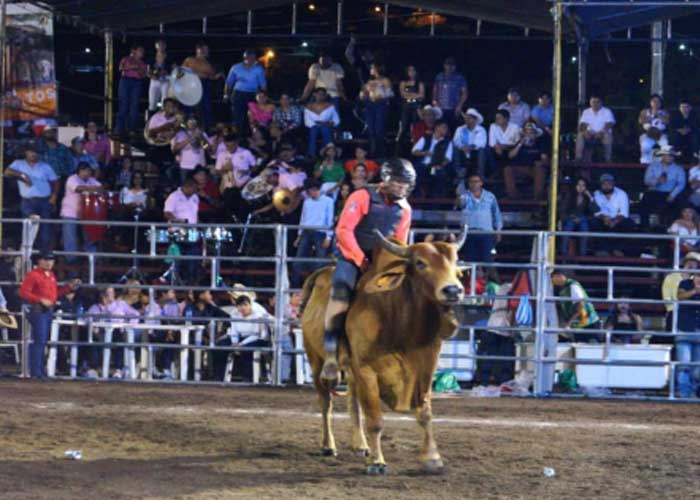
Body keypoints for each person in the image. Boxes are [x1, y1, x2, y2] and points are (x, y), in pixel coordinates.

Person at [319, 159, 415, 383]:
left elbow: (400, 241)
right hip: (352, 255)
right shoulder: (361, 196)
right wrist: (360, 260)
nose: (402, 188)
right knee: (341, 293)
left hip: (380, 259)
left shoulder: (405, 209)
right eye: (399, 182)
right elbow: (344, 230)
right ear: (387, 179)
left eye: (406, 184)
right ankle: (331, 355)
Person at [19, 251, 79, 379]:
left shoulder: (50, 275)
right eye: (46, 259)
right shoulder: (34, 275)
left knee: (41, 341)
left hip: (45, 310)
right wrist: (40, 300)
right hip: (38, 310)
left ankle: (39, 371)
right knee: (40, 341)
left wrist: (69, 288)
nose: (49, 262)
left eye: (51, 260)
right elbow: (23, 292)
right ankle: (36, 372)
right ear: (39, 261)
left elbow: (54, 294)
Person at [4, 145, 59, 253]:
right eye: (31, 152)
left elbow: (56, 182)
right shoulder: (18, 163)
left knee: (45, 231)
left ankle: (43, 257)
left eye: (36, 152)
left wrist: (54, 196)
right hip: (28, 202)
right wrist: (23, 175)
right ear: (26, 153)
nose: (33, 154)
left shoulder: (45, 166)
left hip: (44, 201)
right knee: (28, 230)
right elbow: (7, 172)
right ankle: (27, 257)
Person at [219, 294, 272, 381]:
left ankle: (248, 378)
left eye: (245, 305)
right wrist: (234, 342)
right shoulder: (235, 315)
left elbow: (256, 334)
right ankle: (220, 377)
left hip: (257, 339)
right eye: (240, 305)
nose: (243, 308)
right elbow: (234, 331)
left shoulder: (257, 315)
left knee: (246, 350)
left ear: (250, 305)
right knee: (221, 345)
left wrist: (241, 344)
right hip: (241, 338)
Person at [292, 179, 334, 287]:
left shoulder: (328, 201)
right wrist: (299, 235)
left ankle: (318, 286)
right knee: (298, 261)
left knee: (320, 261)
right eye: (309, 191)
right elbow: (303, 218)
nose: (311, 193)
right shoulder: (307, 202)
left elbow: (330, 219)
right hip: (307, 231)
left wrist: (328, 237)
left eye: (313, 190)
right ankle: (295, 288)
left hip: (320, 232)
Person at [60, 162, 103, 264]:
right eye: (84, 170)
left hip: (87, 214)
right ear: (79, 171)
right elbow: (78, 188)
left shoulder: (91, 180)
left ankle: (91, 264)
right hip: (70, 213)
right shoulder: (72, 179)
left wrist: (95, 188)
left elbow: (101, 188)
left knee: (90, 238)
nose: (86, 173)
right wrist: (92, 189)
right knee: (70, 241)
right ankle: (71, 266)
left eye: (88, 171)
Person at [457, 174, 503, 263]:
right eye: (471, 182)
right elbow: (460, 204)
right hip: (470, 232)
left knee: (488, 259)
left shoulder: (490, 196)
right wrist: (458, 196)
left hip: (486, 233)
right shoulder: (464, 196)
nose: (474, 184)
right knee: (470, 260)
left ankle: (488, 277)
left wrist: (498, 230)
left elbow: (496, 214)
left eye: (476, 181)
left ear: (481, 183)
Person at [638, 145, 686, 228]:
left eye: (672, 156)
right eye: (669, 155)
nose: (671, 157)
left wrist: (672, 195)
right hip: (655, 192)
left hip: (670, 193)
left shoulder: (678, 168)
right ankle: (644, 227)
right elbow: (647, 181)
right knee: (645, 199)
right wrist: (657, 181)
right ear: (663, 156)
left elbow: (681, 184)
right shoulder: (653, 166)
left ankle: (672, 228)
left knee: (680, 203)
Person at [163, 179, 200, 284]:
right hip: (177, 233)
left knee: (193, 260)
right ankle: (173, 283)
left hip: (192, 234)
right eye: (193, 188)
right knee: (176, 262)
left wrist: (197, 227)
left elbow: (195, 215)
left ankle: (191, 283)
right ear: (187, 186)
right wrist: (179, 221)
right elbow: (167, 213)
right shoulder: (173, 197)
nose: (194, 190)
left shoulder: (195, 198)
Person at [590, 173, 636, 256]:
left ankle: (618, 249)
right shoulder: (596, 194)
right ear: (601, 184)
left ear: (613, 184)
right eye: (604, 184)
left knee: (629, 223)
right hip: (603, 220)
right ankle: (603, 249)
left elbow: (624, 213)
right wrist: (604, 218)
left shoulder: (622, 193)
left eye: (609, 183)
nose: (607, 186)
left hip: (617, 220)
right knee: (593, 223)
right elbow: (596, 212)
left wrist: (615, 220)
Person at [224, 49, 267, 134]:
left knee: (251, 117)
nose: (251, 59)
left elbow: (263, 86)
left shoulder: (258, 69)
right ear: (244, 57)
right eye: (248, 57)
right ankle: (239, 138)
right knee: (238, 117)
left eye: (253, 58)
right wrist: (226, 95)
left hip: (252, 95)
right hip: (238, 94)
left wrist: (263, 96)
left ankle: (250, 137)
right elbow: (229, 83)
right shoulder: (235, 67)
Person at [182, 42, 223, 130]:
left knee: (206, 106)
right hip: (191, 84)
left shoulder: (208, 64)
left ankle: (208, 127)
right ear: (198, 50)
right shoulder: (189, 60)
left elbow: (212, 76)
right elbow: (182, 71)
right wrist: (197, 74)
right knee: (189, 106)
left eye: (207, 50)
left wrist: (216, 76)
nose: (206, 51)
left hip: (204, 85)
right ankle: (187, 125)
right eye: (204, 49)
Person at [551, 272, 601, 343]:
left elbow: (581, 304)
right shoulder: (563, 289)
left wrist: (569, 321)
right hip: (579, 325)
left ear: (559, 276)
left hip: (588, 324)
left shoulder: (573, 286)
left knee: (591, 348)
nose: (553, 282)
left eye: (552, 279)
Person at [503, 122, 548, 200]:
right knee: (508, 169)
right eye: (527, 132)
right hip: (520, 168)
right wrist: (520, 144)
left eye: (531, 132)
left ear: (535, 134)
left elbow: (544, 158)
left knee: (540, 169)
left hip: (533, 169)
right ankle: (513, 196)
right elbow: (510, 155)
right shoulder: (519, 143)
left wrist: (540, 162)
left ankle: (537, 197)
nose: (529, 134)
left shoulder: (540, 144)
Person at [411, 120, 454, 198]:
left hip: (435, 166)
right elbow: (414, 151)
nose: (446, 130)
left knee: (439, 175)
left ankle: (434, 201)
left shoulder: (447, 142)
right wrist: (424, 153)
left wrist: (441, 165)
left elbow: (448, 158)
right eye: (444, 127)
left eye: (446, 128)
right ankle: (417, 198)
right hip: (423, 165)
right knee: (415, 172)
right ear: (437, 127)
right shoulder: (425, 138)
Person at [216, 134, 256, 215]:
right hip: (229, 187)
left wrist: (247, 171)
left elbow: (255, 166)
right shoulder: (221, 155)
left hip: (244, 185)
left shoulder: (245, 152)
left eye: (232, 145)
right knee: (230, 210)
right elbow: (217, 171)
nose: (230, 148)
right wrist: (224, 169)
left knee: (243, 209)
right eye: (227, 146)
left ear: (237, 143)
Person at [360, 63, 393, 159]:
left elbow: (390, 93)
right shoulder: (369, 81)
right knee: (371, 129)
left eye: (372, 68)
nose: (371, 69)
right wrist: (364, 94)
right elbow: (363, 93)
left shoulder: (385, 80)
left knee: (379, 129)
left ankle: (380, 153)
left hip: (380, 104)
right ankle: (372, 152)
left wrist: (381, 95)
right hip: (369, 105)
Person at [675, 272, 700, 397]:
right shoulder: (684, 284)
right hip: (685, 329)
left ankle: (693, 392)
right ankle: (684, 392)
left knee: (697, 367)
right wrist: (694, 291)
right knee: (684, 364)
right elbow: (679, 296)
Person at [560, 178, 598, 257]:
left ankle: (583, 254)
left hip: (583, 218)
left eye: (583, 185)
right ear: (575, 186)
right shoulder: (569, 195)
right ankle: (563, 252)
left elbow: (595, 210)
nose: (581, 187)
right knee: (568, 226)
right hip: (571, 217)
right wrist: (570, 217)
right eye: (579, 185)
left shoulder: (589, 196)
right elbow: (564, 210)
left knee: (584, 227)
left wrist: (590, 197)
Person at [115, 45, 147, 137]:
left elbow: (144, 75)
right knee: (123, 105)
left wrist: (140, 71)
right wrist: (132, 67)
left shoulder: (143, 64)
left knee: (134, 106)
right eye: (140, 50)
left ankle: (132, 128)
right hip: (125, 81)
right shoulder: (126, 59)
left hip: (137, 82)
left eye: (143, 51)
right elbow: (120, 68)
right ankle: (119, 129)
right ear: (135, 51)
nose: (142, 53)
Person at [575, 94, 615, 162]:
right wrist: (585, 131)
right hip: (590, 132)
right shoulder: (586, 111)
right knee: (580, 135)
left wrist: (601, 132)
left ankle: (607, 159)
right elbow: (582, 124)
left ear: (601, 102)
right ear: (590, 102)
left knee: (607, 136)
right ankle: (578, 158)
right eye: (593, 102)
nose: (595, 104)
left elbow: (609, 124)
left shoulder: (607, 111)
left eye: (597, 102)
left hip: (603, 132)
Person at [171, 117, 209, 184]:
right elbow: (175, 149)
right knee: (187, 187)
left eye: (194, 121)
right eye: (190, 121)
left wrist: (201, 138)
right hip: (186, 167)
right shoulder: (181, 134)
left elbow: (206, 148)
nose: (192, 123)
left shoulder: (202, 133)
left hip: (200, 167)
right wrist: (191, 138)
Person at [431, 57, 467, 127]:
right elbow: (435, 90)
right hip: (441, 107)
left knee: (453, 127)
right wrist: (434, 102)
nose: (449, 67)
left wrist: (460, 105)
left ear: (454, 67)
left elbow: (464, 93)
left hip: (454, 107)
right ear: (444, 66)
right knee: (441, 126)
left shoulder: (459, 78)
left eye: (452, 65)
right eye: (448, 65)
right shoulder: (439, 77)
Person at [304, 88, 340, 158]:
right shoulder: (308, 106)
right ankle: (311, 155)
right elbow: (307, 121)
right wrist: (319, 124)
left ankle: (330, 154)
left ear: (325, 96)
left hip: (327, 126)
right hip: (313, 127)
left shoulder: (330, 106)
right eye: (319, 94)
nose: (321, 96)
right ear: (314, 95)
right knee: (314, 131)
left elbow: (336, 120)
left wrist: (330, 123)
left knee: (325, 129)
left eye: (323, 94)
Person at [452, 108, 487, 178]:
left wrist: (469, 147)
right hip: (462, 152)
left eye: (469, 118)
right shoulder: (460, 129)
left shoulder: (481, 129)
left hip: (475, 153)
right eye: (466, 118)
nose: (467, 119)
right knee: (454, 147)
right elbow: (456, 140)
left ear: (475, 120)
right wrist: (462, 147)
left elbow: (480, 143)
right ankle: (459, 173)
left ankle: (480, 174)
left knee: (481, 150)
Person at [396, 65, 425, 147]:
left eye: (413, 71)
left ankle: (415, 145)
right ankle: (400, 146)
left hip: (416, 106)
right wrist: (415, 95)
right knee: (403, 126)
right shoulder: (403, 82)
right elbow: (402, 94)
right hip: (405, 106)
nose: (411, 73)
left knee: (415, 125)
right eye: (410, 71)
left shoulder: (419, 83)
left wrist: (409, 95)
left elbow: (422, 95)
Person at [638, 94, 670, 164]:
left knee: (665, 144)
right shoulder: (645, 111)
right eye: (654, 101)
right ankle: (645, 162)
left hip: (660, 133)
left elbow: (667, 122)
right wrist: (652, 116)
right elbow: (641, 121)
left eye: (658, 102)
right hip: (648, 133)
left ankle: (662, 161)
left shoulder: (664, 112)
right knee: (645, 145)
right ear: (650, 102)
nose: (656, 103)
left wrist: (659, 115)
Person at [147, 39, 171, 114]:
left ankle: (163, 120)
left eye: (162, 45)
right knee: (152, 102)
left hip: (165, 81)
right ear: (156, 46)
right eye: (159, 45)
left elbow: (174, 69)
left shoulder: (169, 57)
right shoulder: (151, 57)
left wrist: (166, 72)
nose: (161, 46)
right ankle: (151, 121)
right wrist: (151, 76)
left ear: (165, 46)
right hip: (154, 81)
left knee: (165, 101)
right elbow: (148, 71)